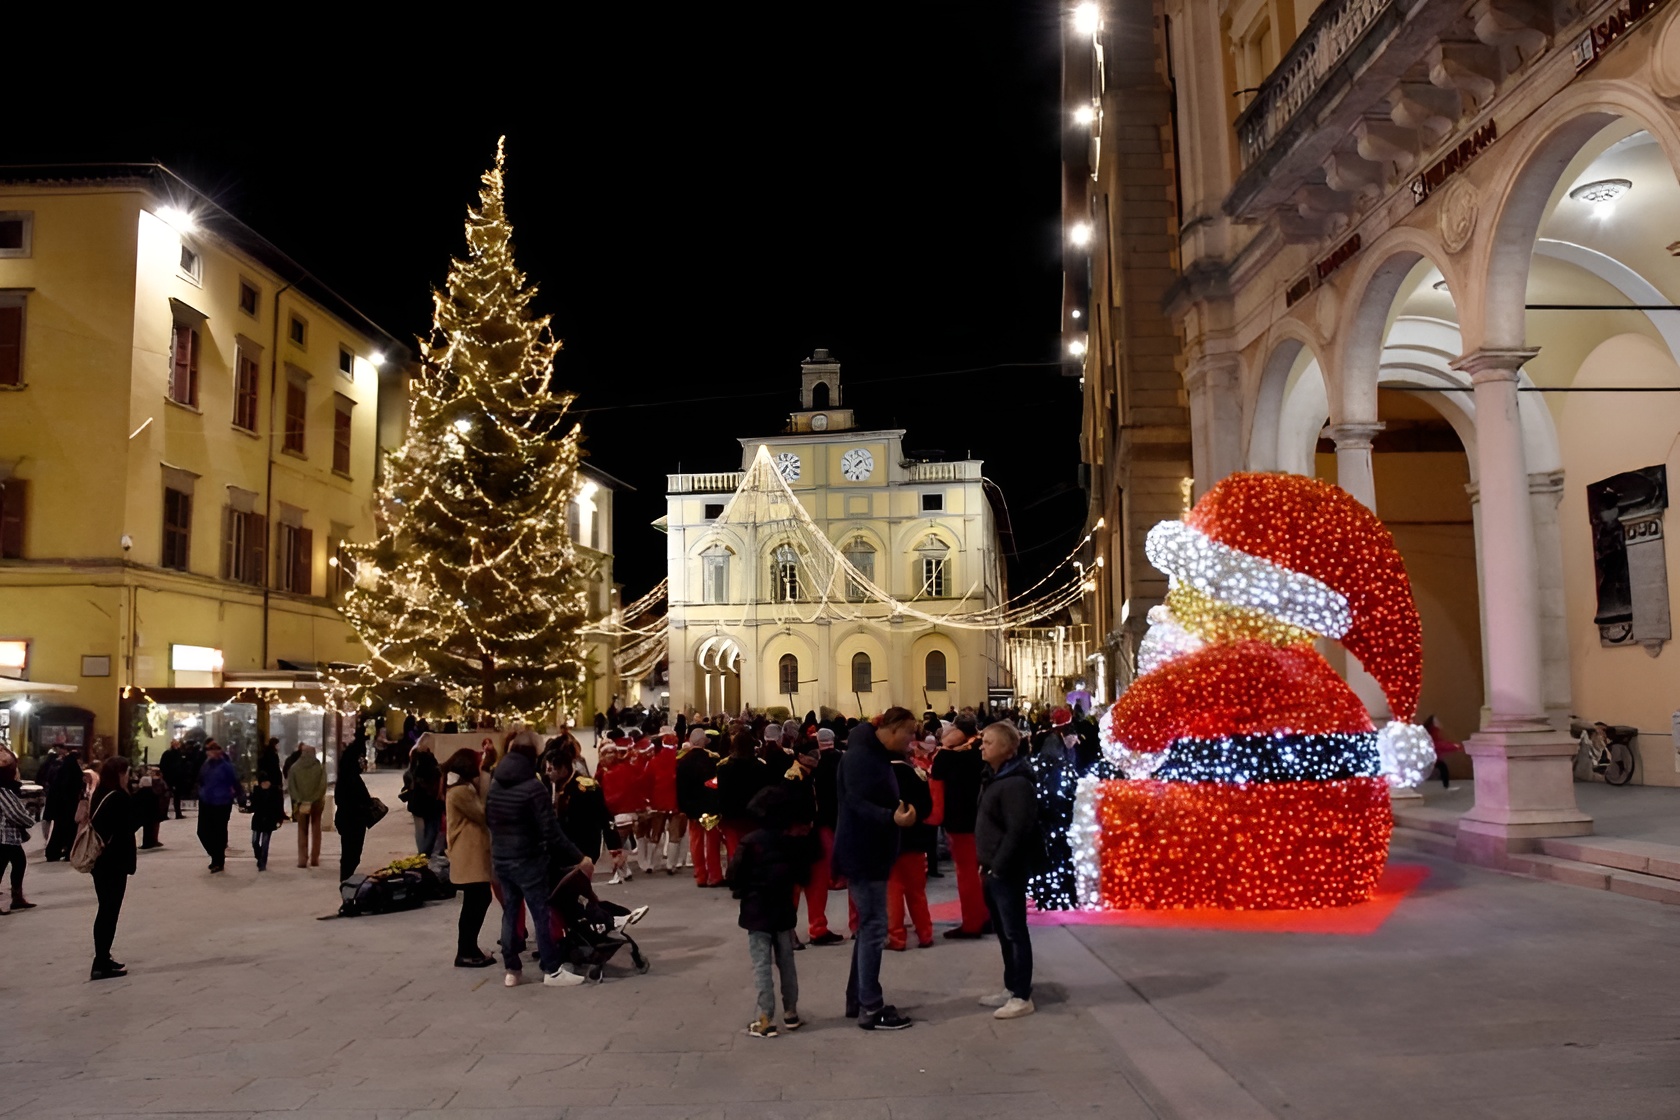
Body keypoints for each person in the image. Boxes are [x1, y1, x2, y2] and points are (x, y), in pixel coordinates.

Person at [833, 708, 921, 1031]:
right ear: (893, 728)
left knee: (869, 928)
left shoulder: (870, 752)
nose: (912, 739)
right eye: (909, 732)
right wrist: (891, 818)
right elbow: (855, 802)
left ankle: (858, 999)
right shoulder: (861, 756)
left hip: (869, 852)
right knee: (873, 929)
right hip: (863, 852)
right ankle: (871, 1007)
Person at [487, 731, 589, 988]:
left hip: (501, 858)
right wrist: (579, 856)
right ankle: (552, 969)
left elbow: (489, 818)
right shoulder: (533, 787)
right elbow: (550, 830)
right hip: (528, 859)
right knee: (540, 913)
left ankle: (512, 969)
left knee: (510, 912)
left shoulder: (496, 783)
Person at [729, 785, 814, 1038]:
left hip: (756, 910)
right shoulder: (793, 842)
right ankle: (791, 1013)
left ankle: (765, 1018)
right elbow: (803, 875)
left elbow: (734, 875)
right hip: (783, 909)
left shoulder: (751, 841)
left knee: (761, 965)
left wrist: (743, 890)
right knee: (787, 963)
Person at [975, 720, 1037, 1020]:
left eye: (988, 742)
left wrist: (998, 867)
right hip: (992, 868)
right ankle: (1012, 987)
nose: (982, 746)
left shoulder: (1016, 783)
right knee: (1003, 931)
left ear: (1007, 749)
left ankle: (1022, 995)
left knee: (1014, 932)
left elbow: (1018, 831)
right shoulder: (996, 777)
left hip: (1006, 870)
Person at [932, 717, 989, 938]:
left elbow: (937, 779)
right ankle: (985, 916)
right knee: (981, 871)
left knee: (966, 875)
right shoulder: (979, 754)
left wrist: (946, 747)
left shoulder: (949, 758)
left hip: (960, 822)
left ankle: (972, 923)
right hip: (980, 820)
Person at [443, 748, 496, 968]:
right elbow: (483, 813)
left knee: (477, 901)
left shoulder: (460, 789)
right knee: (477, 900)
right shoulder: (460, 792)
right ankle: (465, 950)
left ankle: (469, 947)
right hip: (468, 854)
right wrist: (485, 775)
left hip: (471, 853)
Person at [89, 757, 137, 980]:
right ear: (119, 774)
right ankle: (100, 962)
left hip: (100, 862)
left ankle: (103, 957)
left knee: (105, 909)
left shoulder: (100, 793)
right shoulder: (118, 797)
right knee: (109, 911)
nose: (129, 777)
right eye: (127, 773)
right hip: (114, 861)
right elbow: (129, 825)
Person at [886, 740, 937, 952]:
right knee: (917, 891)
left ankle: (897, 938)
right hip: (916, 840)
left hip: (890, 842)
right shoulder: (917, 774)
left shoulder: (882, 776)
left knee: (893, 891)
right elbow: (927, 808)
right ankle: (925, 933)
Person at [676, 728, 723, 888]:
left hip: (692, 809)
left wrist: (683, 807)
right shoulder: (710, 760)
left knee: (695, 842)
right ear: (703, 743)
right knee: (711, 842)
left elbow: (680, 788)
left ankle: (700, 875)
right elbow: (714, 784)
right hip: (709, 808)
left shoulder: (683, 762)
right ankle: (715, 875)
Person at [716, 729, 770, 866]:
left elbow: (721, 792)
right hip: (753, 814)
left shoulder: (724, 767)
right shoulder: (761, 767)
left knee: (733, 847)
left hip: (731, 814)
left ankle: (736, 874)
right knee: (754, 846)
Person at [196, 741, 244, 873]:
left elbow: (235, 781)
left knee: (218, 831)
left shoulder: (226, 766)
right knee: (202, 832)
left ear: (219, 752)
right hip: (206, 801)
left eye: (212, 750)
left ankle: (218, 860)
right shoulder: (206, 765)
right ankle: (215, 855)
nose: (210, 753)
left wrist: (241, 798)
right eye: (208, 750)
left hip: (222, 802)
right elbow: (200, 779)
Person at [0, 752, 37, 913]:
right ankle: (16, 897)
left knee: (19, 862)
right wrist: (29, 821)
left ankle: (17, 897)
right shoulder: (3, 791)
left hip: (8, 837)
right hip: (4, 836)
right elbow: (14, 813)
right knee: (7, 865)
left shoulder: (7, 790)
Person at [334, 747, 373, 892]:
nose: (362, 761)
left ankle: (346, 881)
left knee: (350, 854)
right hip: (352, 821)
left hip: (349, 820)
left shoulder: (348, 777)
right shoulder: (350, 779)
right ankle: (346, 883)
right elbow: (348, 800)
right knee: (351, 854)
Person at [286, 745, 327, 869]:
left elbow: (291, 787)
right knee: (316, 830)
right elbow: (322, 786)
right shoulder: (319, 768)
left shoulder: (294, 768)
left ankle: (302, 859)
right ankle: (315, 858)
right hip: (316, 804)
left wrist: (300, 800)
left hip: (300, 804)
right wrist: (314, 799)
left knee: (302, 830)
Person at [401, 745, 446, 860]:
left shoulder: (410, 772)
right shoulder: (436, 771)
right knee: (432, 830)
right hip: (433, 804)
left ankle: (422, 855)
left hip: (417, 804)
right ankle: (425, 854)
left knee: (420, 831)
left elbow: (407, 787)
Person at [42, 746, 84, 862]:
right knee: (70, 831)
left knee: (58, 831)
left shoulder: (61, 772)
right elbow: (76, 789)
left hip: (60, 808)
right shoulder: (75, 772)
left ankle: (52, 853)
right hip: (70, 808)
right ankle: (68, 852)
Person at [249, 741, 285, 871]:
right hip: (259, 817)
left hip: (268, 817)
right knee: (256, 841)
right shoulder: (258, 790)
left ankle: (262, 862)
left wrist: (279, 817)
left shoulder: (274, 792)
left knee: (264, 841)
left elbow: (277, 805)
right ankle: (260, 857)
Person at [1424, 715, 1461, 789]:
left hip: (1431, 757)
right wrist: (1454, 747)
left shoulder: (1432, 732)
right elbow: (1438, 744)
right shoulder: (1433, 732)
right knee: (1443, 767)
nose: (1439, 722)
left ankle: (1446, 786)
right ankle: (1446, 786)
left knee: (1442, 767)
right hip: (1431, 757)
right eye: (1436, 721)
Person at [158, 739, 189, 820]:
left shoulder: (178, 753)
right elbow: (163, 766)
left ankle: (177, 813)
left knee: (175, 796)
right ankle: (166, 814)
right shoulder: (171, 754)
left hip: (176, 778)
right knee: (168, 796)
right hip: (170, 778)